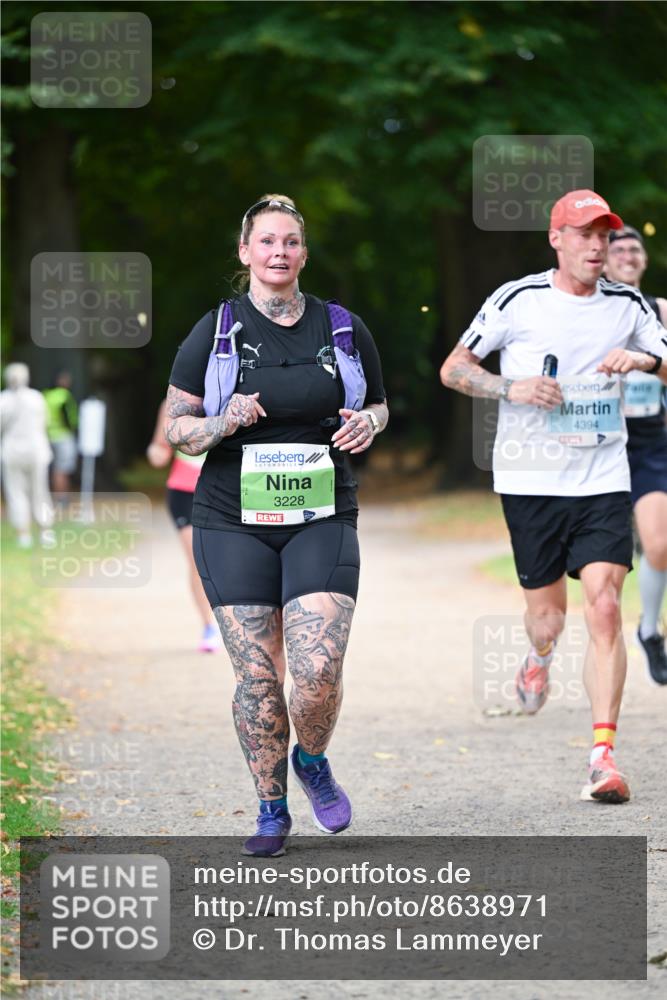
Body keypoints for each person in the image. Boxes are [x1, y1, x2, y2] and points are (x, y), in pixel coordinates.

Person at [165, 194, 388, 855]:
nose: (278, 252)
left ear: (303, 252)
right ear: (245, 252)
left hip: (322, 512)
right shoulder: (217, 330)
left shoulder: (342, 327)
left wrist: (366, 425)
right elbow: (178, 429)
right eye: (266, 241)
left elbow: (377, 406)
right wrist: (223, 420)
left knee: (317, 668)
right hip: (230, 518)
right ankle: (270, 807)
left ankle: (311, 759)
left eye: (290, 241)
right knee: (258, 677)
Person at [440, 189, 667, 805]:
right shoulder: (517, 299)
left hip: (602, 476)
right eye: (584, 234)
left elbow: (666, 359)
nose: (596, 246)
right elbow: (454, 368)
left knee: (603, 604)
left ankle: (602, 755)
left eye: (603, 235)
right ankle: (538, 657)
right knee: (549, 619)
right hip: (531, 480)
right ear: (556, 239)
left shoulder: (628, 303)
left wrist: (645, 359)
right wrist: (510, 387)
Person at [604, 225, 667, 684]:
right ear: (602, 261)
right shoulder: (594, 313)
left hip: (649, 442)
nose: (627, 254)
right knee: (603, 561)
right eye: (617, 248)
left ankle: (648, 629)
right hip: (599, 440)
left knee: (659, 544)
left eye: (634, 248)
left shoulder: (661, 311)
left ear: (643, 260)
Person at [146, 399, 222, 652]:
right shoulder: (174, 402)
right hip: (185, 489)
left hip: (224, 490)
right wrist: (157, 452)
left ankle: (234, 624)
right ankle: (209, 627)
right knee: (198, 561)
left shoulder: (236, 393)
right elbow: (160, 448)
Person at [0, 362, 55, 548]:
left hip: (12, 451)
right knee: (40, 491)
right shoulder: (36, 398)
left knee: (16, 492)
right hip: (36, 450)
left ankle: (23, 534)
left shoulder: (4, 400)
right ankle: (45, 531)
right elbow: (45, 422)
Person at [43, 371, 78, 496]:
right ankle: (62, 497)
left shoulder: (46, 395)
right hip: (63, 436)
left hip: (48, 436)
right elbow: (68, 418)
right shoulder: (64, 396)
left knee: (54, 469)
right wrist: (73, 428)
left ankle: (55, 495)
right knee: (62, 469)